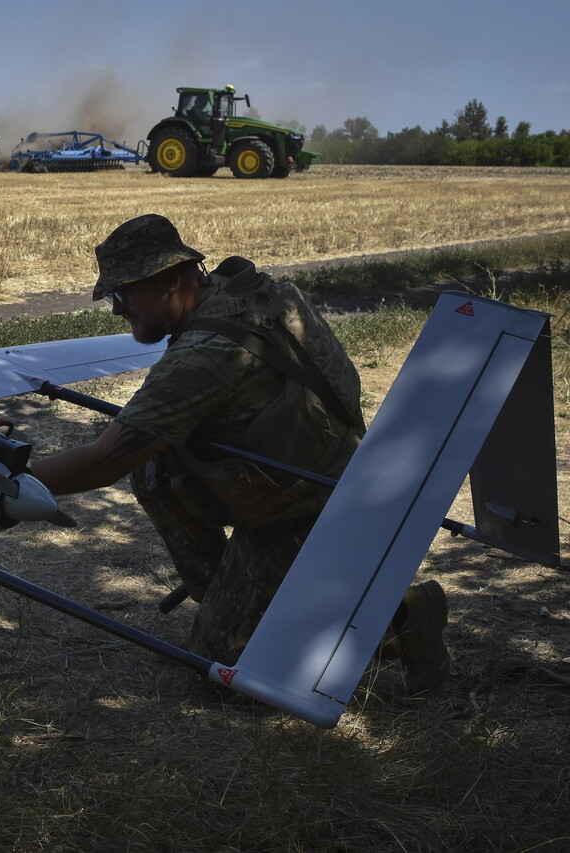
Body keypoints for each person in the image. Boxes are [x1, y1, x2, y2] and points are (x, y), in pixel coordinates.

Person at [30, 214, 449, 701]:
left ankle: (404, 616)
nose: (119, 309)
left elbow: (104, 461)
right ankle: (242, 596)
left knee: (235, 673)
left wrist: (5, 479)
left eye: (124, 293)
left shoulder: (208, 352)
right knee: (156, 466)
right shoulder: (247, 292)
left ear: (170, 280)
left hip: (310, 508)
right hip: (305, 476)